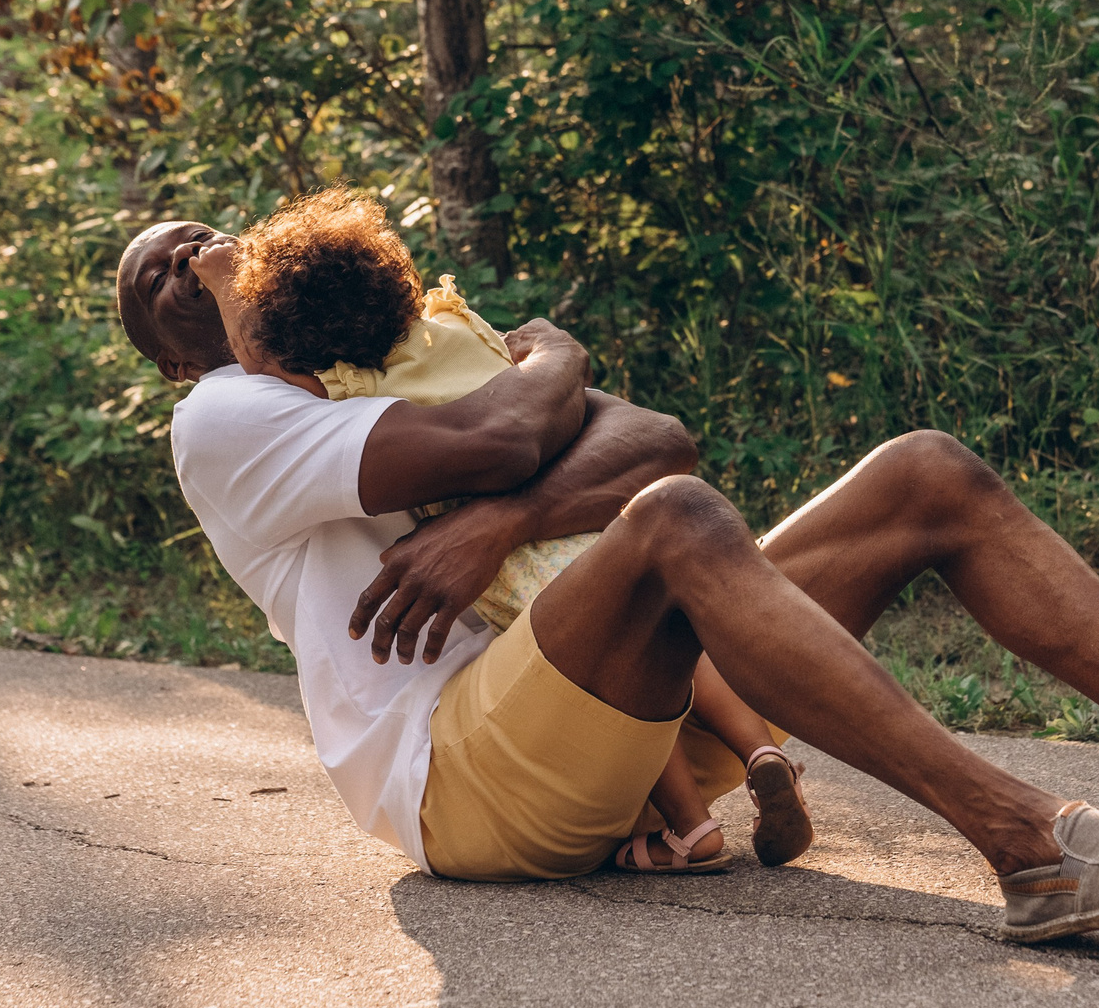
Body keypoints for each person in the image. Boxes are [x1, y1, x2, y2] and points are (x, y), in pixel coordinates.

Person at [117, 214, 1099, 944]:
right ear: (178, 351)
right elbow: (546, 430)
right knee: (678, 523)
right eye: (155, 272)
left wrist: (501, 510)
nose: (180, 255)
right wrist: (554, 368)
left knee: (923, 471)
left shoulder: (389, 349)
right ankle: (1031, 844)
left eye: (196, 232)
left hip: (625, 720)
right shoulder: (226, 415)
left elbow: (656, 441)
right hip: (464, 781)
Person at [223, 186, 795, 875]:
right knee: (674, 633)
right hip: (582, 509)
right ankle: (762, 749)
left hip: (502, 557)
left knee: (628, 665)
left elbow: (260, 363)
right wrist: (549, 348)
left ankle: (691, 826)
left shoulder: (346, 383)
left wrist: (225, 283)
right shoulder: (453, 322)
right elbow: (541, 377)